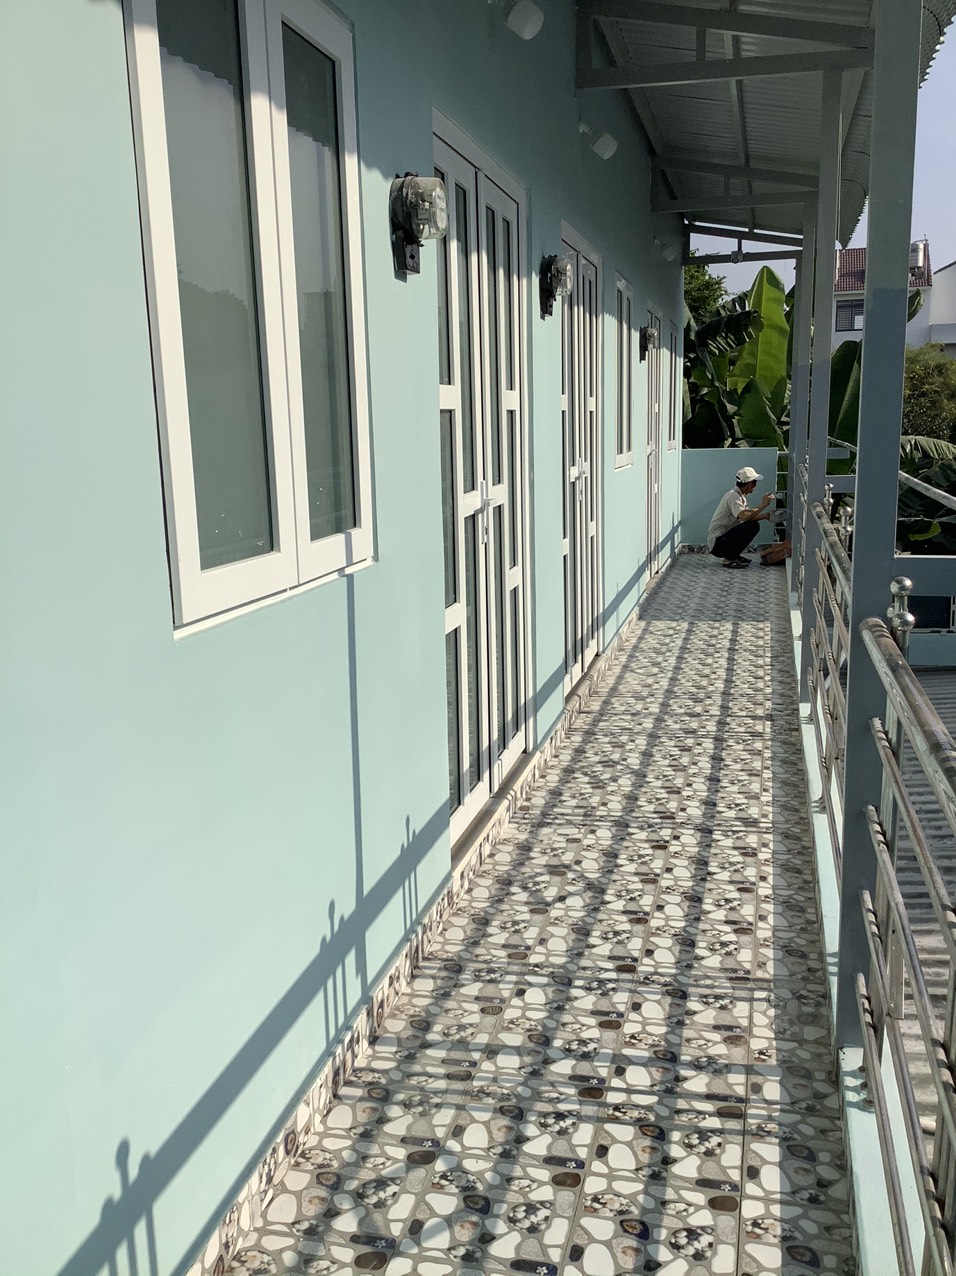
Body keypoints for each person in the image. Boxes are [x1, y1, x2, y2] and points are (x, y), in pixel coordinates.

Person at [706, 466, 777, 568]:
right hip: (717, 544)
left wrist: (766, 516)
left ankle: (732, 556)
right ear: (749, 484)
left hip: (722, 541)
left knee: (752, 525)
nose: (755, 486)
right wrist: (763, 505)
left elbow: (748, 516)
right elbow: (744, 516)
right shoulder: (733, 496)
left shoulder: (739, 496)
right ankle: (729, 559)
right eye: (754, 483)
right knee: (752, 526)